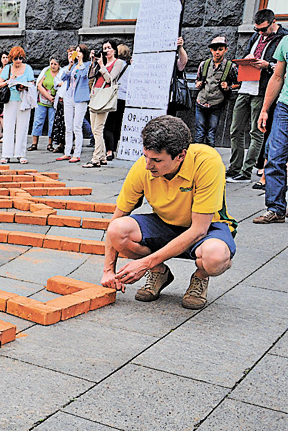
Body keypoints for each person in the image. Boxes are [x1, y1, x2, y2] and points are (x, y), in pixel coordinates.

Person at [101, 115, 236, 311]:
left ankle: (201, 276)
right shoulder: (143, 167)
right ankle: (160, 272)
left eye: (156, 160)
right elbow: (116, 219)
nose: (148, 165)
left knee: (215, 257)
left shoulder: (207, 162)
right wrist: (108, 271)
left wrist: (144, 263)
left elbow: (199, 230)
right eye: (146, 156)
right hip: (165, 224)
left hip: (206, 229)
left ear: (180, 156)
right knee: (117, 231)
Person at [227, 9, 288, 183]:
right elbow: (249, 52)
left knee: (256, 131)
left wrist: (267, 65)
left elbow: (281, 69)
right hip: (246, 85)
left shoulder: (283, 37)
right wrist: (247, 59)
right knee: (235, 129)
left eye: (263, 29)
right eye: (257, 30)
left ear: (273, 22)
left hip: (262, 89)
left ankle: (247, 170)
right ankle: (234, 167)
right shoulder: (257, 36)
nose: (260, 33)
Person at [254, 21, 288, 224]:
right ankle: (275, 208)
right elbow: (277, 77)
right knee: (274, 155)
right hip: (284, 106)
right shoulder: (285, 41)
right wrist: (265, 109)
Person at [84, 40, 126, 168]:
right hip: (95, 95)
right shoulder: (100, 62)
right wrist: (93, 62)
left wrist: (102, 66)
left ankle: (96, 158)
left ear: (114, 50)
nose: (106, 50)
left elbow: (110, 79)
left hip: (105, 96)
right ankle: (102, 157)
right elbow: (90, 76)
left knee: (98, 129)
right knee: (94, 129)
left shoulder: (118, 63)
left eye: (109, 48)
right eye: (104, 48)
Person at [192, 37, 239, 147]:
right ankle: (197, 157)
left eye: (220, 49)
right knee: (199, 133)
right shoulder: (204, 64)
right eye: (214, 49)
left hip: (217, 103)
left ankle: (209, 158)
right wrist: (198, 83)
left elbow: (238, 83)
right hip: (201, 101)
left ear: (225, 49)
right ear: (211, 50)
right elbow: (197, 79)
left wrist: (228, 87)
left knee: (211, 133)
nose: (217, 52)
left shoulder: (230, 66)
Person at [0, 46, 35, 164]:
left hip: (23, 100)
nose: (18, 61)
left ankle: (21, 154)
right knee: (8, 127)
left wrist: (23, 86)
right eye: (15, 59)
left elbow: (32, 83)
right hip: (10, 100)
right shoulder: (7, 69)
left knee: (22, 127)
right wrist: (9, 81)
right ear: (11, 59)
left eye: (20, 58)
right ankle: (6, 154)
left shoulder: (28, 68)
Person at [58, 44, 91, 164]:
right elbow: (63, 77)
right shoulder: (73, 66)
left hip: (80, 98)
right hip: (69, 96)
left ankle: (77, 153)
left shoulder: (86, 65)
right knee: (68, 126)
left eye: (79, 52)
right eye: (76, 51)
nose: (77, 54)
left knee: (77, 126)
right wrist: (71, 64)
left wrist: (80, 62)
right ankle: (67, 152)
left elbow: (83, 76)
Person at [103, 43, 132, 160]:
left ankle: (110, 150)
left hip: (113, 96)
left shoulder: (115, 65)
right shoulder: (130, 68)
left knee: (108, 125)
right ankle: (114, 148)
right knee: (117, 124)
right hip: (124, 98)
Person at [29, 57, 60, 152]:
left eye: (55, 64)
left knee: (52, 122)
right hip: (42, 100)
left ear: (58, 65)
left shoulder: (61, 73)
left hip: (54, 102)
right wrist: (48, 96)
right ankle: (34, 143)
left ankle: (50, 144)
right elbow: (39, 85)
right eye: (51, 64)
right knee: (38, 121)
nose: (53, 66)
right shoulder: (46, 71)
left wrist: (54, 98)